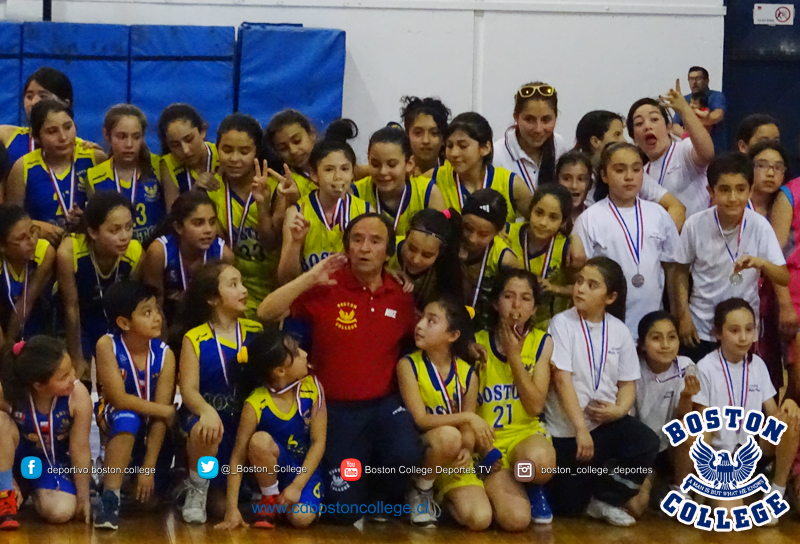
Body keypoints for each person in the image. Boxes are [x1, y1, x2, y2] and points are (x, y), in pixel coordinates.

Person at [258, 213, 421, 525]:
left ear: (388, 251)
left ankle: (382, 498)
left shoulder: (401, 296)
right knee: (343, 512)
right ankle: (356, 493)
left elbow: (429, 332)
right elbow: (266, 312)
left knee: (406, 456)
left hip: (383, 407)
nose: (364, 248)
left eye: (375, 241)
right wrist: (309, 277)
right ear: (346, 247)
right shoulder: (326, 286)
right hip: (335, 411)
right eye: (357, 239)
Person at [544, 257, 660, 526]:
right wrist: (581, 430)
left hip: (604, 426)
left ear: (610, 297)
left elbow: (628, 383)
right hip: (569, 432)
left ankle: (606, 498)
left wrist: (619, 410)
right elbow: (562, 379)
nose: (580, 289)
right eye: (579, 281)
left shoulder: (619, 331)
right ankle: (575, 489)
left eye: (592, 285)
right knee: (569, 508)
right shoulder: (561, 324)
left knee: (646, 442)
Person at [692, 298, 800, 523]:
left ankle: (776, 493)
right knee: (730, 515)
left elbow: (773, 414)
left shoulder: (758, 365)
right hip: (720, 459)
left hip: (752, 451)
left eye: (749, 329)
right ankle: (718, 493)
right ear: (717, 333)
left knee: (791, 420)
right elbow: (704, 427)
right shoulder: (705, 367)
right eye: (734, 330)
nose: (743, 337)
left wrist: (788, 407)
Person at [674, 152, 789, 362]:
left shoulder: (759, 226)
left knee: (739, 390)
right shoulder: (695, 224)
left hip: (742, 331)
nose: (733, 197)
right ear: (711, 191)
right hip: (701, 326)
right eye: (725, 190)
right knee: (700, 390)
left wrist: (761, 262)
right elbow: (679, 272)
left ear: (750, 190)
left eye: (740, 189)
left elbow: (783, 277)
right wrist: (683, 316)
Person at [176, 261, 263, 524]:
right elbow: (188, 389)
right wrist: (206, 410)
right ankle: (196, 488)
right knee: (206, 430)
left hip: (242, 423)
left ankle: (262, 489)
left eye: (242, 283)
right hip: (212, 421)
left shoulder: (255, 331)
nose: (244, 290)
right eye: (233, 285)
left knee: (224, 507)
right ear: (213, 298)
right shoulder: (195, 337)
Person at [396, 297, 492, 530]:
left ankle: (441, 498)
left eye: (431, 321)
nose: (419, 325)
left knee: (480, 520)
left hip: (453, 454)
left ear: (453, 336)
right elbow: (421, 419)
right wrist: (467, 419)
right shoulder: (408, 365)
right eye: (421, 318)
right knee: (449, 435)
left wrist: (468, 447)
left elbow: (468, 428)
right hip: (426, 447)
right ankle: (419, 489)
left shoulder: (468, 373)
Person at [572, 142, 684, 339]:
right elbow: (581, 276)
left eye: (636, 169)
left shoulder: (657, 213)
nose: (629, 176)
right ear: (604, 176)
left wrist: (679, 315)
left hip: (652, 325)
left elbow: (672, 268)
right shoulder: (590, 219)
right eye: (620, 170)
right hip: (605, 326)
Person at [216, 330, 326, 530]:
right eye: (297, 352)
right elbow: (238, 457)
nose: (305, 354)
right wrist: (231, 509)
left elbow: (319, 442)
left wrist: (297, 486)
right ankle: (269, 499)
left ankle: (284, 503)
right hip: (273, 468)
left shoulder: (313, 388)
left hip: (303, 471)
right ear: (280, 371)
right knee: (259, 440)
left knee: (301, 518)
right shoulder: (256, 402)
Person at [475, 270, 558, 529]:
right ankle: (507, 485)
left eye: (525, 298)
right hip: (489, 442)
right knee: (515, 521)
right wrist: (481, 447)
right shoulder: (475, 344)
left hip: (525, 437)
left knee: (540, 465)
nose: (516, 306)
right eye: (509, 296)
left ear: (534, 308)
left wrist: (514, 357)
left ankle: (530, 484)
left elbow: (534, 406)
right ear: (495, 302)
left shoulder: (542, 342)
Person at [93, 282, 176, 530]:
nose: (157, 318)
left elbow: (161, 418)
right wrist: (166, 410)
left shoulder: (166, 354)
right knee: (127, 416)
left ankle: (130, 476)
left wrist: (148, 468)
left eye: (157, 310)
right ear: (124, 323)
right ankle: (110, 498)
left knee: (148, 503)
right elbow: (118, 398)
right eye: (146, 312)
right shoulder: (106, 345)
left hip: (153, 425)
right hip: (115, 415)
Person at [0, 336, 92, 527]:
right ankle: (6, 491)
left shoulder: (78, 395)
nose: (73, 378)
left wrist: (84, 498)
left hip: (50, 461)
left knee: (61, 511)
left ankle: (30, 488)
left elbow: (80, 449)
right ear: (38, 385)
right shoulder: (9, 392)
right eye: (64, 376)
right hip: (12, 458)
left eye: (71, 370)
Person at [56, 191, 143, 383]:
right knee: (78, 377)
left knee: (123, 376)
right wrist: (77, 357)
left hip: (111, 320)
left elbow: (130, 305)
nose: (124, 237)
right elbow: (71, 308)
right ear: (93, 232)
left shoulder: (135, 251)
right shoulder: (70, 251)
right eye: (115, 230)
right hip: (76, 320)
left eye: (129, 227)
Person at [278, 121, 369, 284]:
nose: (338, 176)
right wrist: (295, 243)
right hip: (310, 300)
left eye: (345, 169)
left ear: (353, 173)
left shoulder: (366, 212)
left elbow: (372, 275)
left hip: (350, 299)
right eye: (329, 169)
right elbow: (286, 279)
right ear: (314, 175)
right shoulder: (297, 213)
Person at [6, 100, 107, 245]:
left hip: (85, 246)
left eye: (68, 127)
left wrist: (86, 219)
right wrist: (35, 226)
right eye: (52, 131)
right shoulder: (23, 167)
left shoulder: (94, 158)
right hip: (41, 248)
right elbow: (11, 221)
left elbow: (111, 213)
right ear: (36, 137)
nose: (63, 137)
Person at [627, 311, 699, 516]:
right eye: (656, 338)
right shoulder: (633, 369)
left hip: (670, 449)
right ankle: (653, 485)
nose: (665, 344)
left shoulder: (686, 366)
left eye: (672, 337)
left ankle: (680, 490)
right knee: (635, 507)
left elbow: (685, 420)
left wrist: (686, 396)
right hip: (641, 448)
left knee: (690, 431)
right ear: (642, 344)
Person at [206, 114, 277, 319]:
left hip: (269, 289)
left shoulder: (275, 186)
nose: (235, 159)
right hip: (226, 291)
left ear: (257, 151)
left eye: (244, 151)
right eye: (227, 150)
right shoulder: (211, 189)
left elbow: (271, 243)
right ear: (217, 149)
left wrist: (263, 206)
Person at [575, 111, 686, 228]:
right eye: (617, 134)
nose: (624, 141)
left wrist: (660, 240)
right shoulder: (574, 177)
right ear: (595, 141)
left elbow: (676, 207)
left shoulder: (632, 173)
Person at [142, 191, 233, 327]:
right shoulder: (159, 252)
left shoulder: (223, 254)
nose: (208, 230)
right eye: (198, 223)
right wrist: (163, 346)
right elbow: (154, 304)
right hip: (167, 322)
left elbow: (226, 307)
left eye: (212, 222)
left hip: (208, 325)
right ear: (178, 227)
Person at [628, 80, 715, 219]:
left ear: (668, 126)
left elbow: (707, 153)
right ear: (634, 138)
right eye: (639, 123)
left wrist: (684, 110)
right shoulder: (641, 174)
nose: (647, 126)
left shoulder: (683, 150)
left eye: (654, 119)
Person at [85, 104, 166, 245]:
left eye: (136, 137)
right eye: (121, 136)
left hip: (154, 251)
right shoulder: (94, 176)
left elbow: (172, 216)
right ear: (106, 135)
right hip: (117, 253)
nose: (129, 144)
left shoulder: (159, 166)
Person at [433, 112, 532, 223]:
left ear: (486, 147)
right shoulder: (434, 178)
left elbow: (537, 224)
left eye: (463, 146)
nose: (454, 153)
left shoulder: (511, 184)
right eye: (449, 145)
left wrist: (508, 229)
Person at [352, 125, 445, 238]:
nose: (383, 172)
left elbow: (440, 243)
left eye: (392, 165)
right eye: (375, 164)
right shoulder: (355, 194)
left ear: (409, 163)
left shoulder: (428, 194)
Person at [506, 184, 573, 331]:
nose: (543, 222)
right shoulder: (507, 233)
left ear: (563, 222)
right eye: (539, 213)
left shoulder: (566, 248)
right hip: (508, 321)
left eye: (553, 217)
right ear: (530, 211)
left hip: (548, 328)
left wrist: (555, 289)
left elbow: (579, 288)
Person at [0, 67, 90, 173]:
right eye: (29, 96)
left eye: (43, 96)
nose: (33, 102)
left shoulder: (88, 152)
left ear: (66, 103)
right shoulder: (6, 136)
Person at [459, 190, 520, 328]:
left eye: (483, 234)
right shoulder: (448, 238)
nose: (472, 239)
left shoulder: (505, 260)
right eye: (467, 228)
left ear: (497, 233)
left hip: (484, 332)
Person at [493, 82, 568, 191]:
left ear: (556, 117)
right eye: (529, 119)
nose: (538, 129)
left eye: (546, 120)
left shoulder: (559, 144)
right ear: (516, 117)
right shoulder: (497, 156)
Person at [0, 204, 56, 342]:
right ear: (3, 247)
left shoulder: (44, 252)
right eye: (21, 238)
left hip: (36, 326)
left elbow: (27, 301)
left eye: (33, 231)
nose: (32, 241)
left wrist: (10, 345)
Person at [389, 208, 464, 311]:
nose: (415, 259)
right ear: (406, 235)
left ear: (440, 253)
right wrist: (384, 273)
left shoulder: (447, 269)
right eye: (411, 248)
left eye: (427, 255)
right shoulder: (386, 251)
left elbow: (453, 312)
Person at [158, 104, 219, 208]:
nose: (185, 150)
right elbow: (173, 216)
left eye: (189, 139)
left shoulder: (220, 154)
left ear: (203, 131)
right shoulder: (168, 164)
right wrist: (194, 192)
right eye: (175, 145)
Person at [264, 109, 318, 198]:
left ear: (312, 133)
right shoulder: (283, 185)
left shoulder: (335, 168)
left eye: (297, 141)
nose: (293, 151)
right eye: (283, 148)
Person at [672, 67, 728, 153]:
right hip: (691, 151)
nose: (694, 82)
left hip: (715, 151)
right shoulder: (684, 99)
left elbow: (716, 116)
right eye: (691, 79)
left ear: (707, 80)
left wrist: (691, 124)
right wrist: (685, 136)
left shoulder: (716, 96)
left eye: (698, 78)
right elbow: (675, 125)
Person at [400, 96, 450, 176]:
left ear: (443, 138)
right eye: (418, 133)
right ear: (406, 135)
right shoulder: (397, 172)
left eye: (434, 133)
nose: (425, 140)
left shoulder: (452, 173)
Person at [556, 150, 593, 223]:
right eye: (566, 179)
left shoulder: (595, 217)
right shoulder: (547, 217)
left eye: (581, 179)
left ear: (590, 184)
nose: (574, 186)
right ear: (556, 181)